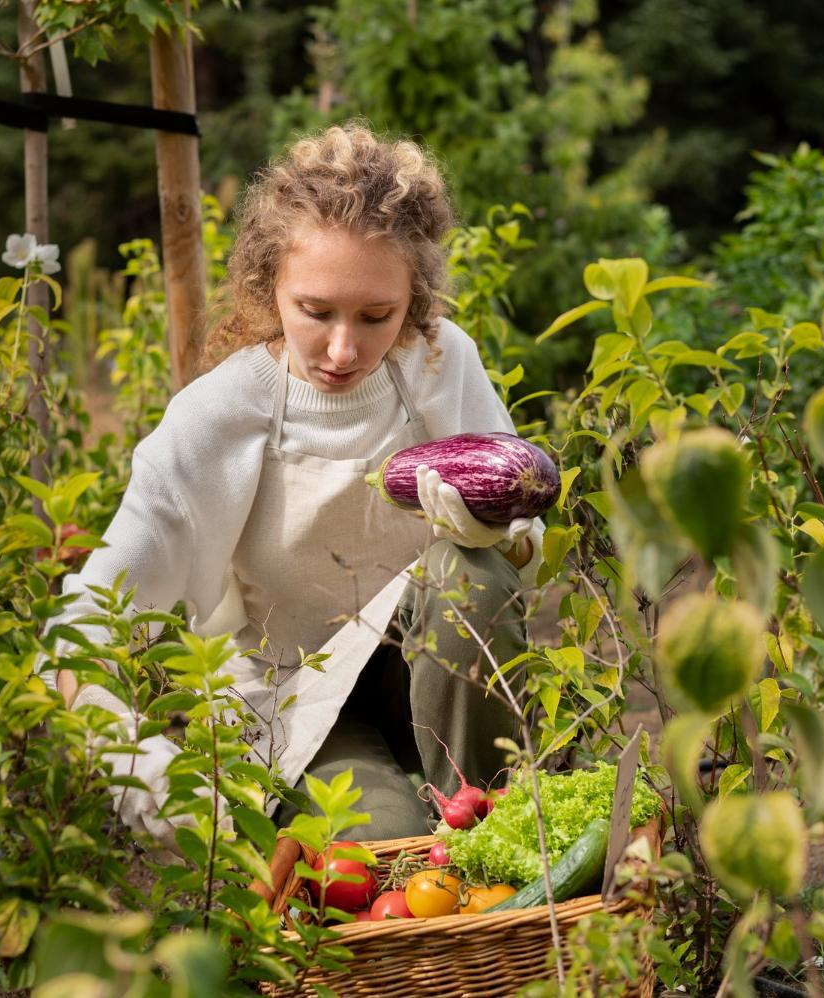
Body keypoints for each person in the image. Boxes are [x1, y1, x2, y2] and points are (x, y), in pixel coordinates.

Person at [41, 124, 544, 848]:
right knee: (377, 850)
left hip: (434, 676)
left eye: (377, 317)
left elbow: (527, 540)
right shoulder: (217, 418)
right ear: (267, 281)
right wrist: (150, 778)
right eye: (316, 311)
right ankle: (413, 836)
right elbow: (83, 630)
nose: (344, 350)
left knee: (468, 574)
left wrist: (501, 535)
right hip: (297, 699)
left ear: (416, 299)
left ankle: (502, 837)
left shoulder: (438, 364)